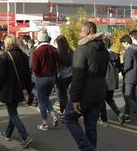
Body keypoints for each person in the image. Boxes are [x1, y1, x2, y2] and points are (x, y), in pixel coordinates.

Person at [64, 21, 109, 150]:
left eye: (81, 31)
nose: (79, 34)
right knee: (91, 126)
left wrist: (74, 98)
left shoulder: (82, 49)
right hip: (99, 92)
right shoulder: (104, 50)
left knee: (69, 118)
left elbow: (78, 76)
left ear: (88, 32)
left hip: (85, 94)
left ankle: (87, 148)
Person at [0, 35, 34, 148]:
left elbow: (0, 76)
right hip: (20, 88)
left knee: (12, 112)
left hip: (8, 89)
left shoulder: (5, 56)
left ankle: (25, 136)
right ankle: (8, 133)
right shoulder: (23, 55)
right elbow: (28, 74)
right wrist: (28, 89)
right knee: (13, 111)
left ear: (7, 43)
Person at [32, 28, 59, 131]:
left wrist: (36, 73)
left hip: (41, 78)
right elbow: (57, 63)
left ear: (39, 39)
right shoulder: (53, 49)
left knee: (42, 101)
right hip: (52, 77)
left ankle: (44, 124)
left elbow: (35, 68)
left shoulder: (37, 51)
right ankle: (54, 116)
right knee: (46, 98)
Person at [99, 37, 126, 126]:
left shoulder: (101, 55)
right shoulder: (115, 54)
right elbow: (118, 68)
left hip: (103, 81)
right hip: (113, 80)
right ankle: (119, 114)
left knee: (101, 100)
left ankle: (104, 120)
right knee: (109, 99)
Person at [54, 35, 73, 119]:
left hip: (61, 76)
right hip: (71, 75)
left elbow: (56, 65)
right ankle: (70, 111)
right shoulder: (71, 51)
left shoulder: (57, 52)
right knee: (70, 95)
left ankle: (63, 112)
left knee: (62, 96)